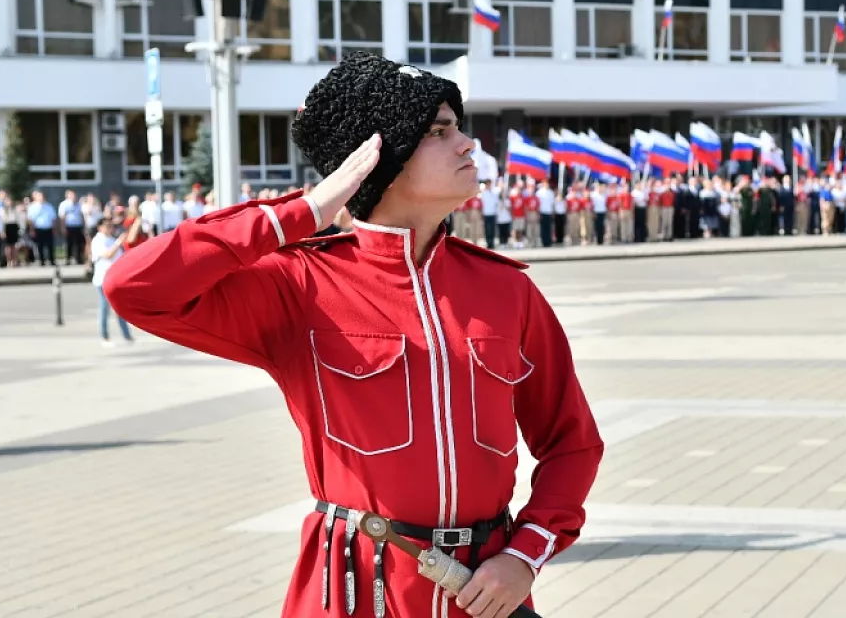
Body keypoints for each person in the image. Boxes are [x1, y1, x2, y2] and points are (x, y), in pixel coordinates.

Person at [105, 52, 604, 618]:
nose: (468, 144)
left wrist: (526, 554)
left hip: (485, 593)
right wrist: (306, 209)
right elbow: (132, 285)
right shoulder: (299, 286)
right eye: (439, 131)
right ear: (375, 159)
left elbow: (572, 442)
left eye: (459, 128)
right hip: (357, 591)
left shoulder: (506, 291)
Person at [90, 219, 134, 347]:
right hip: (102, 279)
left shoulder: (110, 239)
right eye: (107, 226)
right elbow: (108, 255)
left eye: (111, 226)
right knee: (105, 308)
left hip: (114, 280)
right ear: (100, 227)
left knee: (119, 308)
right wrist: (118, 242)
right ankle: (104, 337)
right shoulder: (98, 240)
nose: (110, 228)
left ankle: (127, 336)